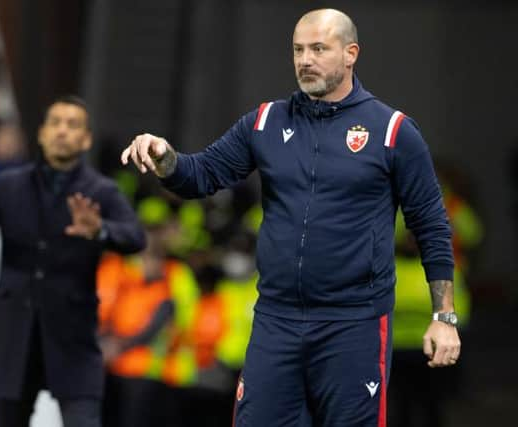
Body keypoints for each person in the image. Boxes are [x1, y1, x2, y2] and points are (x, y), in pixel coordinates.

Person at [121, 8, 460, 427]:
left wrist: (443, 318)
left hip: (353, 323)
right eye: (298, 49)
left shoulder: (392, 131)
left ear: (351, 53)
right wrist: (166, 158)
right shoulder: (265, 122)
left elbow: (431, 225)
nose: (305, 59)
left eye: (319, 48)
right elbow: (202, 175)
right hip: (277, 320)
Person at [0, 95, 146, 427]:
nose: (63, 131)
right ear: (41, 133)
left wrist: (100, 231)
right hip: (14, 333)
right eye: (56, 123)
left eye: (73, 124)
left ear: (86, 138)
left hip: (73, 335)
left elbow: (135, 238)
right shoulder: (8, 186)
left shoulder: (101, 192)